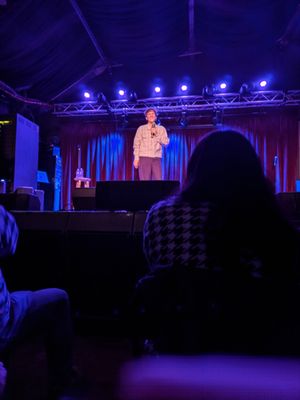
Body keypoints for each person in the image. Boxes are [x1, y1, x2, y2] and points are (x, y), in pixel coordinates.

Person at [134, 128, 300, 355]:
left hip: (175, 350)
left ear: (195, 168)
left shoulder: (162, 216)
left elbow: (155, 268)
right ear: (251, 169)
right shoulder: (268, 220)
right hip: (255, 357)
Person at [0, 205, 77, 399]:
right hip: (3, 319)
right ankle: (62, 386)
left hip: (9, 302)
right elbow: (10, 240)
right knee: (58, 298)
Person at [133, 108, 169, 180]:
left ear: (155, 117)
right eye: (149, 114)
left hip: (156, 158)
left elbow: (166, 143)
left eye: (153, 114)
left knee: (158, 181)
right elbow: (136, 144)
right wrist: (136, 158)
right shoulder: (141, 128)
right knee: (145, 181)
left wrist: (156, 134)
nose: (151, 115)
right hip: (144, 157)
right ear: (146, 117)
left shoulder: (161, 129)